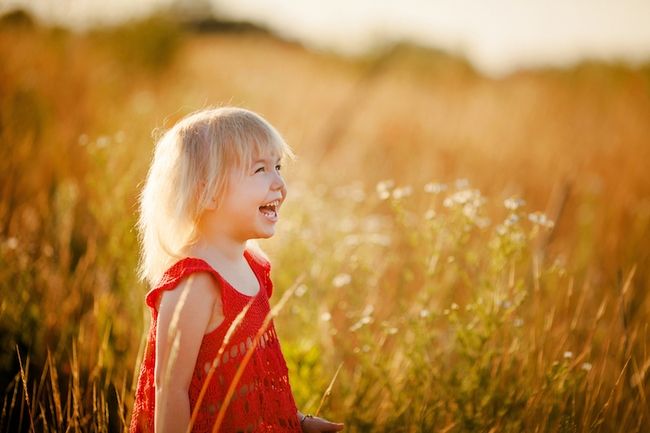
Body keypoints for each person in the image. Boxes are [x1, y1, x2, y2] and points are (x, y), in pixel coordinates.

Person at [129, 107, 345, 433]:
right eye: (260, 170)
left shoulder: (253, 267)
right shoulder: (194, 284)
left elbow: (250, 380)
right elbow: (169, 393)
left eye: (278, 166)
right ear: (208, 192)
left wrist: (297, 421)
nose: (279, 183)